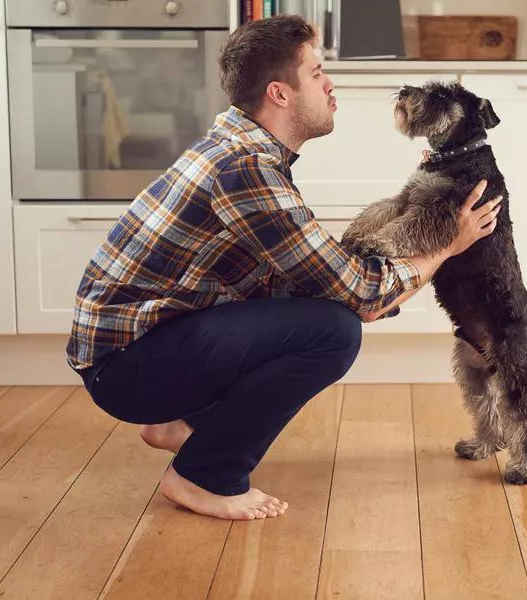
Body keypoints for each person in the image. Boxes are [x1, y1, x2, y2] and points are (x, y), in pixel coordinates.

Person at [65, 15, 502, 521]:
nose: (330, 82)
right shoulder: (246, 170)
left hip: (141, 346)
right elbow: (360, 294)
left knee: (316, 302)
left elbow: (316, 275)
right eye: (317, 73)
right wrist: (447, 245)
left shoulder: (248, 152)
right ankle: (204, 475)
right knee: (333, 331)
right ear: (280, 93)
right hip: (124, 369)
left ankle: (180, 423)